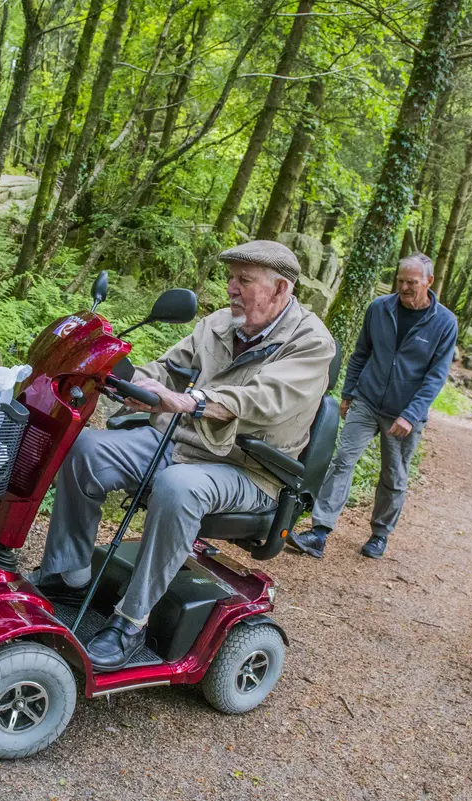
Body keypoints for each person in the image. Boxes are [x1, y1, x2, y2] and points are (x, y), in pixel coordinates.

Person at [32, 240, 336, 670]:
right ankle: (69, 574)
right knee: (86, 448)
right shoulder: (218, 325)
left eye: (244, 280)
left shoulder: (311, 342)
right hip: (184, 442)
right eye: (230, 277)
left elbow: (264, 399)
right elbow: (167, 370)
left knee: (178, 486)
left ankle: (131, 620)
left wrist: (190, 401)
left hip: (248, 467)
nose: (231, 288)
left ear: (281, 288)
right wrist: (119, 375)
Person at [288, 252, 457, 561]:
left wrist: (410, 414)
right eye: (401, 281)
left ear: (429, 282)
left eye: (412, 282)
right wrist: (349, 393)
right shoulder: (379, 309)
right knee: (342, 461)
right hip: (366, 400)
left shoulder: (444, 322)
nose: (404, 288)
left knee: (393, 477)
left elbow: (436, 376)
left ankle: (380, 534)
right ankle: (319, 532)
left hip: (406, 413)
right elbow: (361, 353)